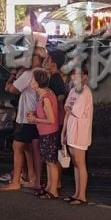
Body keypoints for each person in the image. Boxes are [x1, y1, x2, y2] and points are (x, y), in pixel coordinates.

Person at [0, 52, 44, 192]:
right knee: (33, 149)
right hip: (38, 116)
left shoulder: (29, 74)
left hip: (26, 117)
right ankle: (35, 179)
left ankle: (16, 181)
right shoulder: (43, 73)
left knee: (17, 147)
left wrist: (13, 75)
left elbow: (12, 89)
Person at [27, 69, 61, 198]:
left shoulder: (45, 97)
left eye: (33, 79)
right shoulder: (46, 93)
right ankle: (49, 187)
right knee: (48, 160)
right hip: (46, 132)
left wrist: (35, 119)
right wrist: (35, 114)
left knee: (51, 162)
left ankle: (53, 190)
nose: (31, 81)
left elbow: (51, 119)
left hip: (49, 132)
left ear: (37, 83)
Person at [62, 64, 93, 204]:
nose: (74, 76)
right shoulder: (73, 91)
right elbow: (67, 108)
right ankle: (77, 192)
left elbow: (75, 110)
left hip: (80, 133)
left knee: (80, 163)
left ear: (85, 76)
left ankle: (82, 195)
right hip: (71, 130)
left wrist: (69, 109)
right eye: (73, 74)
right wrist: (64, 132)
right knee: (75, 163)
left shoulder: (85, 92)